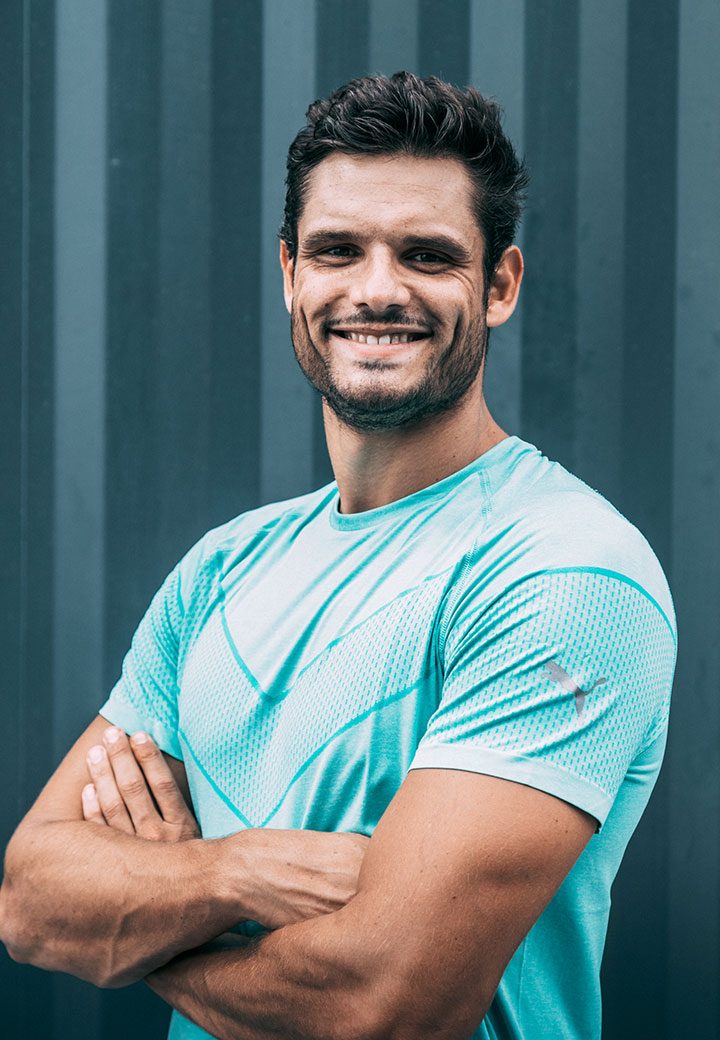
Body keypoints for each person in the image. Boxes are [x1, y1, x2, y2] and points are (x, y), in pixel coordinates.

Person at [0, 72, 676, 1040]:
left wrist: (141, 927)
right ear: (290, 273)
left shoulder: (563, 570)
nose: (377, 289)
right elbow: (29, 898)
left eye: (427, 255)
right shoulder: (221, 570)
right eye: (337, 250)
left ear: (499, 286)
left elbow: (385, 1003)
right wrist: (236, 871)